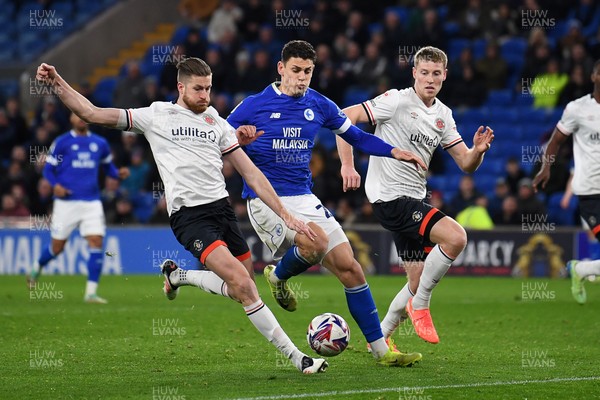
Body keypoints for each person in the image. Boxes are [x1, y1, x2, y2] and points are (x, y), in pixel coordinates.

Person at [34, 57, 328, 374]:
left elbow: (252, 173)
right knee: (244, 286)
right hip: (190, 217)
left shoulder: (216, 121)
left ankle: (179, 276)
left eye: (209, 89)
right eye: (198, 89)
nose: (205, 96)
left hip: (223, 212)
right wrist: (57, 83)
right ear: (181, 87)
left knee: (243, 289)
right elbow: (91, 113)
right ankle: (299, 358)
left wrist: (285, 214)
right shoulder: (158, 115)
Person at [227, 40, 427, 367]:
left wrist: (394, 151)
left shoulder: (319, 104)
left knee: (351, 268)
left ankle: (382, 352)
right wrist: (239, 138)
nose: (301, 77)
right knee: (315, 242)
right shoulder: (253, 105)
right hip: (266, 198)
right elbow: (219, 139)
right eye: (295, 70)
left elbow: (356, 137)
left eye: (307, 71)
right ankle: (279, 276)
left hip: (304, 197)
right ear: (281, 69)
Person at [338, 46, 494, 344]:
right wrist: (348, 165)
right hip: (390, 198)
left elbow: (466, 164)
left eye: (436, 73)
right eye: (424, 73)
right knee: (456, 237)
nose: (430, 79)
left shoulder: (443, 115)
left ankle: (380, 341)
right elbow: (346, 116)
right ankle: (421, 303)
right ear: (414, 74)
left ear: (445, 75)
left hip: (413, 201)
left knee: (416, 278)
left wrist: (478, 152)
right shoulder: (396, 100)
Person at [27, 113, 130, 303]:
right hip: (66, 202)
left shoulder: (100, 143)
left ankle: (90, 293)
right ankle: (36, 266)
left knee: (96, 241)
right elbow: (49, 169)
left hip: (91, 201)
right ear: (71, 119)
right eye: (76, 115)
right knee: (57, 247)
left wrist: (118, 174)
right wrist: (55, 185)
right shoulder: (62, 142)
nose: (81, 118)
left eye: (82, 115)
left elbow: (108, 168)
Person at [533, 59, 600, 305]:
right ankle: (581, 270)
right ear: (593, 76)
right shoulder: (577, 109)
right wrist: (546, 166)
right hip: (591, 192)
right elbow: (556, 140)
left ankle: (581, 270)